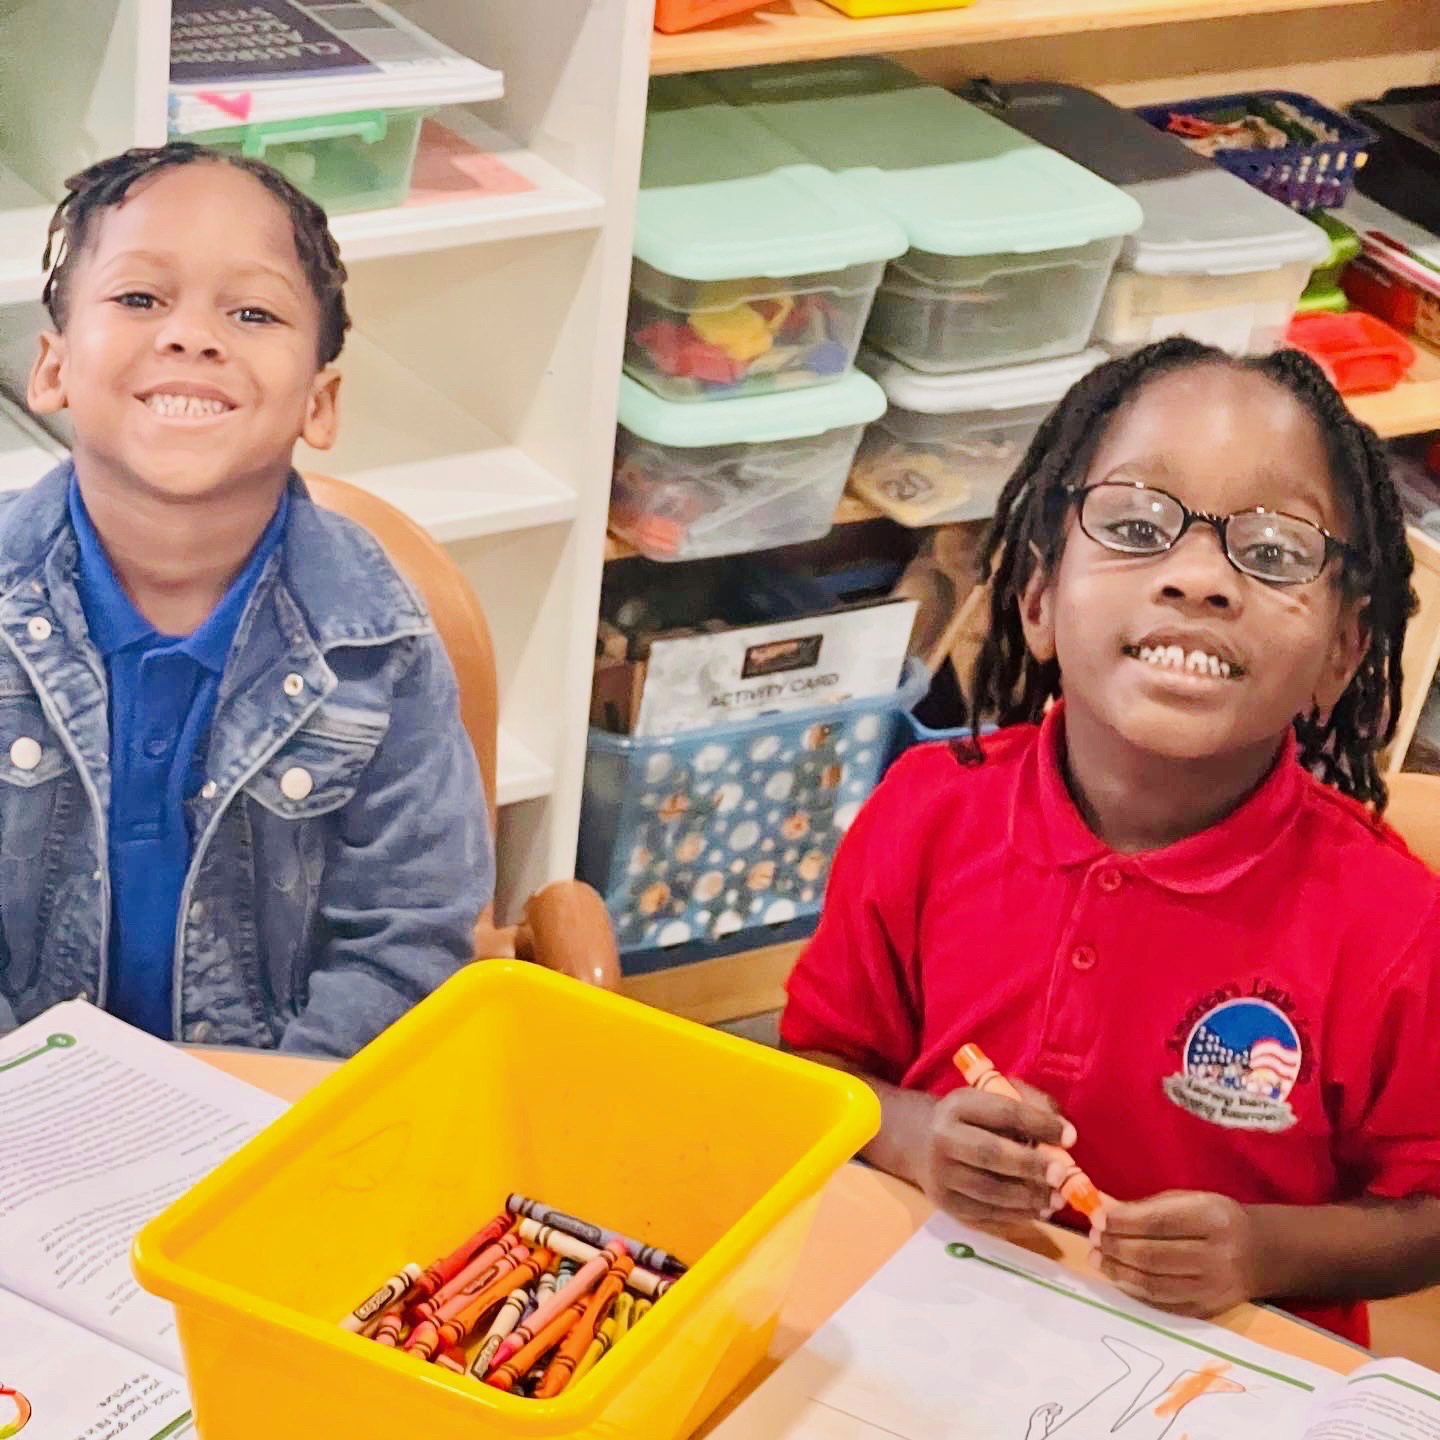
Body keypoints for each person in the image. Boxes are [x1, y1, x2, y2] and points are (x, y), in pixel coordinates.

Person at [782, 337, 1440, 1344]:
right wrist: (918, 1138)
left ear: (1341, 654)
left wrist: (1262, 1250)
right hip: (921, 1319)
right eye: (1136, 524)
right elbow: (813, 1071)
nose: (1199, 579)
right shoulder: (926, 813)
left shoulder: (1393, 923)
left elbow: (1427, 1220)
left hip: (1229, 1375)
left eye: (1271, 555)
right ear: (1039, 600)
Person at [0, 143, 492, 1055]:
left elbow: (406, 943)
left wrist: (258, 1137)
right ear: (54, 368)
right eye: (140, 298)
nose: (192, 335)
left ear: (320, 400)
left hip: (283, 1126)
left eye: (253, 310)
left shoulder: (380, 643)